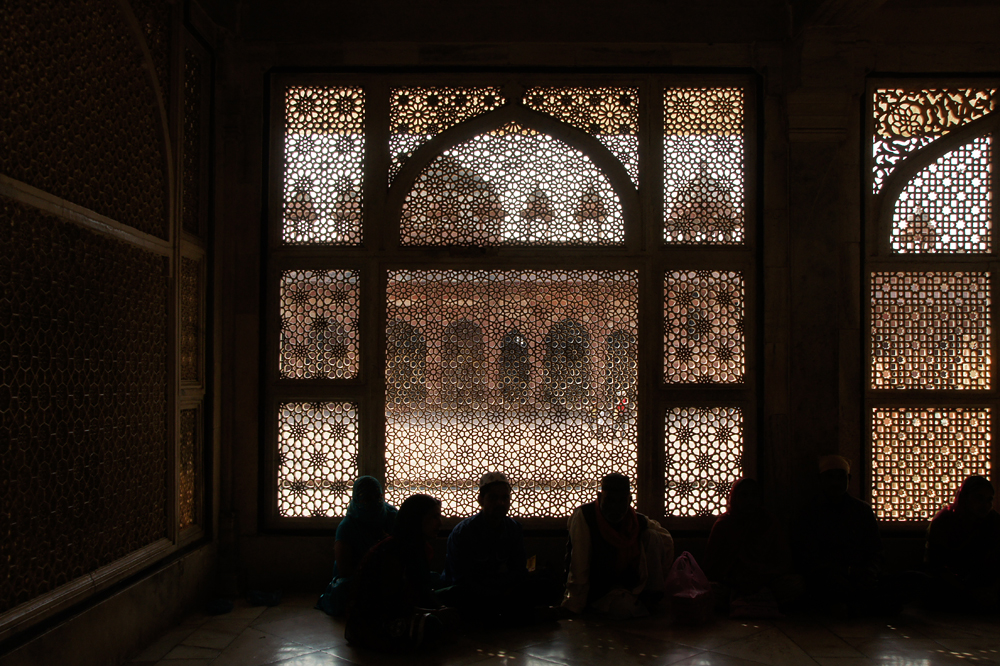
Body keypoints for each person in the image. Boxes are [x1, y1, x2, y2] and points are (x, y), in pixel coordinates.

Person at [437, 472, 559, 622]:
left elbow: (519, 571)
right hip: (472, 593)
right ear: (481, 500)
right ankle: (514, 616)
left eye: (505, 498)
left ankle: (502, 616)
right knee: (462, 596)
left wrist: (506, 589)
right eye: (493, 498)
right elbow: (462, 579)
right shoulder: (464, 532)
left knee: (546, 585)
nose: (500, 503)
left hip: (502, 591)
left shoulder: (513, 529)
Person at [792, 455, 897, 615]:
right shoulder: (810, 513)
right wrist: (847, 571)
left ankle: (856, 605)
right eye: (830, 477)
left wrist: (870, 572)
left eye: (840, 477)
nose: (835, 483)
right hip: (830, 577)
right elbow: (807, 557)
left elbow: (876, 550)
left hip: (863, 577)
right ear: (820, 480)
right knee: (825, 585)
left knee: (914, 581)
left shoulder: (862, 511)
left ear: (849, 479)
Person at [345, 493, 447, 651]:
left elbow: (421, 590)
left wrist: (441, 608)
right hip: (375, 622)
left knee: (460, 594)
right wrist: (436, 612)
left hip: (403, 609)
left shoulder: (420, 548)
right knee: (431, 626)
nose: (440, 523)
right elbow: (392, 605)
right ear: (416, 519)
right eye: (434, 517)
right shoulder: (392, 552)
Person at [563, 473, 674, 617]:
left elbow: (666, 540)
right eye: (610, 501)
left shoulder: (635, 520)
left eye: (621, 501)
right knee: (623, 608)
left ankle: (652, 600)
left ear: (629, 501)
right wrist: (575, 606)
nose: (615, 507)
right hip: (599, 592)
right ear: (599, 497)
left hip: (630, 588)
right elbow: (579, 565)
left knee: (653, 536)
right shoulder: (585, 516)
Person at [704, 478, 800, 615]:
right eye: (744, 495)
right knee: (711, 590)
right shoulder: (724, 524)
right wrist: (736, 580)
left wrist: (762, 577)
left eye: (753, 495)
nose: (749, 500)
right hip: (732, 586)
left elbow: (783, 560)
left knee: (795, 585)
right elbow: (711, 567)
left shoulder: (768, 522)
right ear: (734, 497)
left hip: (766, 584)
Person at [317, 476, 398, 616]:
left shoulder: (392, 517)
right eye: (367, 499)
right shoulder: (348, 527)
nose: (373, 503)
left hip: (389, 573)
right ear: (357, 499)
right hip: (359, 578)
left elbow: (406, 550)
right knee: (343, 590)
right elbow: (345, 570)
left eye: (377, 497)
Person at [926, 475, 1000, 612]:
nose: (985, 505)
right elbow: (936, 564)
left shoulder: (994, 523)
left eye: (989, 500)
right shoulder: (945, 521)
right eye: (979, 498)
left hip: (987, 585)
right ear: (965, 497)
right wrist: (968, 590)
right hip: (953, 585)